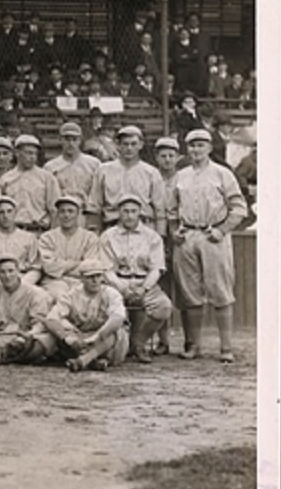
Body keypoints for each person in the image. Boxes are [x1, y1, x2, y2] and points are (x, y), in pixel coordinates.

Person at [168, 129, 248, 363]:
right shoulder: (180, 176)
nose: (196, 150)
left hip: (213, 234)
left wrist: (222, 230)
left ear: (210, 148)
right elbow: (171, 210)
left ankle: (226, 347)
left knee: (220, 290)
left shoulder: (222, 174)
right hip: (188, 234)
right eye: (192, 145)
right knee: (190, 293)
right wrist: (175, 231)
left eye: (201, 145)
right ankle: (194, 346)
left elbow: (239, 207)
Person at [99, 195, 173, 364]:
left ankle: (139, 343)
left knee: (164, 306)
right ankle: (114, 346)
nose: (129, 216)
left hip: (144, 282)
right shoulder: (108, 236)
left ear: (140, 212)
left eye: (133, 211)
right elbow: (106, 269)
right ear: (119, 213)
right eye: (125, 211)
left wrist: (144, 288)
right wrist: (122, 287)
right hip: (116, 282)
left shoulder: (152, 236)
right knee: (104, 304)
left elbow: (157, 269)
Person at [43, 259, 130, 372]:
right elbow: (51, 319)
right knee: (62, 329)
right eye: (90, 277)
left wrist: (97, 336)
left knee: (117, 331)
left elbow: (117, 318)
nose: (95, 281)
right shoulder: (72, 295)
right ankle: (93, 362)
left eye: (98, 276)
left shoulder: (111, 293)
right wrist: (67, 338)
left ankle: (83, 361)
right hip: (82, 340)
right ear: (81, 278)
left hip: (105, 342)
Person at [0, 255, 55, 364]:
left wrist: (27, 336)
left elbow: (40, 323)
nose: (7, 276)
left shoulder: (35, 293)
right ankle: (22, 359)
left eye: (11, 271)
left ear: (18, 271)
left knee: (49, 338)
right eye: (2, 272)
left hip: (24, 338)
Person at [85, 125, 167, 236]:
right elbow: (94, 207)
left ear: (140, 145)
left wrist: (160, 236)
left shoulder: (151, 173)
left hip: (144, 229)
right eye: (125, 144)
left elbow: (160, 210)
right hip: (112, 228)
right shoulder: (103, 171)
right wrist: (94, 235)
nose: (129, 148)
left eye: (133, 144)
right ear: (118, 145)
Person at [152, 136, 182, 355]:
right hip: (154, 237)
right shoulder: (151, 177)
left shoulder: (184, 178)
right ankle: (162, 340)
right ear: (156, 157)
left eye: (171, 155)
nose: (168, 159)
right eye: (163, 155)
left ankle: (190, 341)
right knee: (159, 286)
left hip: (179, 236)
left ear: (178, 157)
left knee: (180, 287)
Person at [38, 196, 101, 300]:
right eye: (62, 211)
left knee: (82, 297)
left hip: (80, 281)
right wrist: (76, 263)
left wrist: (61, 265)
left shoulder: (90, 237)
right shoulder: (47, 237)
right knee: (60, 296)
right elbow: (49, 267)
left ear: (78, 214)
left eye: (70, 211)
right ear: (57, 214)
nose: (66, 215)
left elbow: (90, 267)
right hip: (55, 282)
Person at [0, 196, 41, 287]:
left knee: (42, 297)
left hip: (22, 281)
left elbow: (36, 268)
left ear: (15, 213)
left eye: (9, 211)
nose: (5, 216)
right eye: (1, 212)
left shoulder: (29, 238)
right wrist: (2, 283)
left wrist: (21, 284)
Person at [0, 134, 59, 235]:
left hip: (39, 231)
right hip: (14, 233)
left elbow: (55, 210)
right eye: (28, 153)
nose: (32, 157)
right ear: (17, 153)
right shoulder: (6, 179)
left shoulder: (47, 178)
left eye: (35, 154)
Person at [43, 121, 101, 223]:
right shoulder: (50, 167)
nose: (71, 144)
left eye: (75, 139)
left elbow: (97, 195)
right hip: (60, 216)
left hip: (85, 215)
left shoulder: (94, 164)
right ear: (60, 140)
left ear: (80, 140)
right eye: (67, 139)